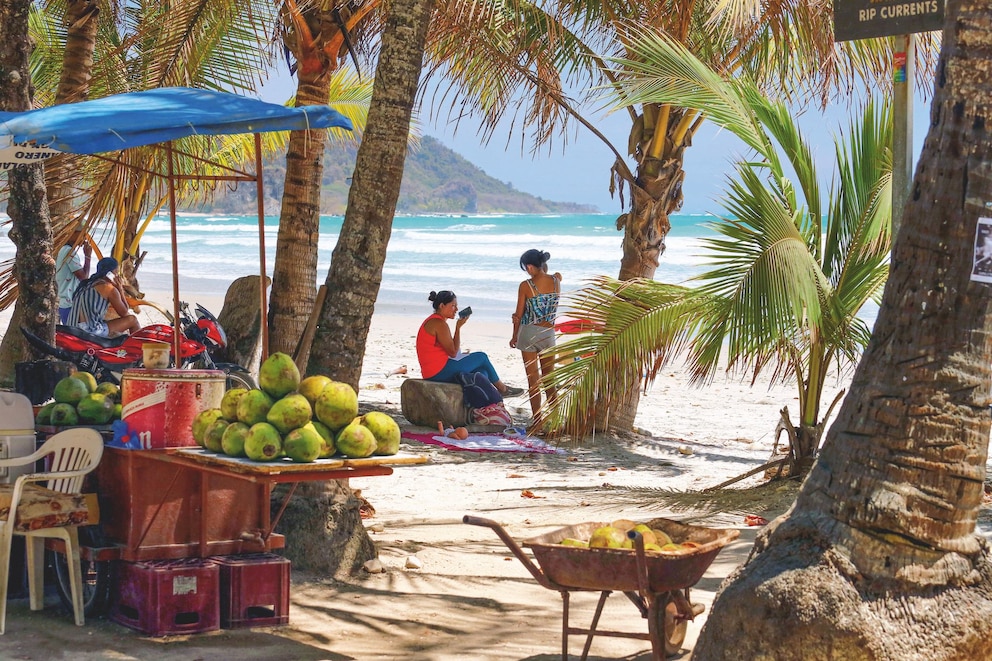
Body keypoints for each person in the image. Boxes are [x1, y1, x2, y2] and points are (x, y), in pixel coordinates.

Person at [416, 290, 524, 397]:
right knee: (482, 357)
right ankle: (503, 389)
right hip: (438, 372)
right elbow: (453, 353)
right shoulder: (439, 323)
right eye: (453, 306)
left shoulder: (434, 321)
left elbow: (451, 351)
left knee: (482, 373)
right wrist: (458, 329)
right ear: (442, 306)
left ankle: (480, 399)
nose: (456, 309)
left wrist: (458, 328)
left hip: (434, 371)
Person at [510, 249, 561, 416]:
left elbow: (518, 315)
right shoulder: (556, 281)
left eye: (525, 267)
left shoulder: (525, 286)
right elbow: (555, 275)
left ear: (530, 267)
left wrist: (514, 336)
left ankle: (538, 420)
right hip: (548, 334)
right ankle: (555, 417)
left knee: (533, 381)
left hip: (529, 334)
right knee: (549, 380)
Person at [68, 256, 141, 337]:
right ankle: (137, 347)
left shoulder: (87, 284)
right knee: (133, 320)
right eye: (116, 273)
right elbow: (125, 312)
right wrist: (120, 289)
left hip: (72, 328)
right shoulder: (109, 288)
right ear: (110, 274)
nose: (117, 276)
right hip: (89, 331)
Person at [55, 224, 92, 324]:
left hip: (64, 301)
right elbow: (84, 278)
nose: (84, 238)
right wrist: (88, 257)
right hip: (69, 303)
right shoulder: (69, 251)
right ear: (73, 233)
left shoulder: (63, 249)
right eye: (82, 234)